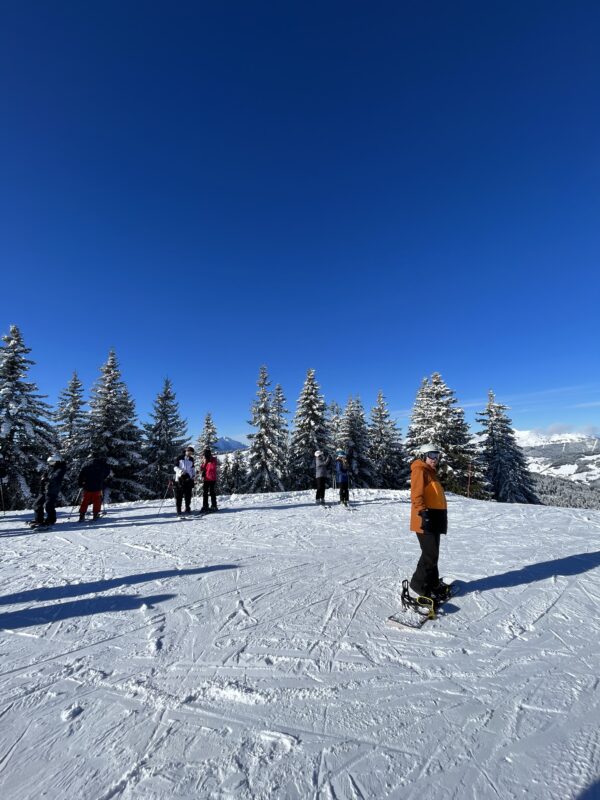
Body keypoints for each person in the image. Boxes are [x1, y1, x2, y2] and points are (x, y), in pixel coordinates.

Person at [409, 442, 450, 601]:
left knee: (433, 554)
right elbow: (416, 495)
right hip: (424, 518)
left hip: (434, 517)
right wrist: (423, 513)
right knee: (429, 554)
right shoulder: (419, 470)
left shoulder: (431, 472)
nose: (435, 459)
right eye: (431, 455)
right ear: (423, 456)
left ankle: (432, 583)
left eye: (437, 455)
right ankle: (418, 584)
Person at [31, 454, 67, 528]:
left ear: (57, 461)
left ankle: (51, 520)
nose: (50, 464)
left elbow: (56, 477)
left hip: (52, 489)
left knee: (48, 505)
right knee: (36, 504)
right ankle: (39, 519)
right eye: (49, 462)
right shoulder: (51, 468)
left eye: (52, 462)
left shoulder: (61, 469)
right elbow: (46, 474)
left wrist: (48, 479)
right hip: (44, 489)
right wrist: (43, 477)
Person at [78, 454, 111, 522]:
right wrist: (102, 479)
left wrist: (80, 483)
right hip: (97, 486)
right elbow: (107, 473)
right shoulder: (102, 466)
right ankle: (95, 515)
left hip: (87, 486)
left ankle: (82, 515)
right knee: (97, 501)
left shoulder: (87, 466)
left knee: (85, 501)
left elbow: (81, 475)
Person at [174, 446, 196, 515]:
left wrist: (193, 475)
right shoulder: (179, 458)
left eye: (191, 452)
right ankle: (178, 510)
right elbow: (175, 467)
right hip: (180, 479)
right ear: (186, 451)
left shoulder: (191, 459)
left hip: (188, 479)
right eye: (189, 452)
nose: (190, 453)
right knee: (179, 495)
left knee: (188, 495)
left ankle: (187, 508)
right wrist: (180, 472)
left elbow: (192, 468)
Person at [200, 448, 218, 512]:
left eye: (207, 454)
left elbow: (213, 467)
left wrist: (209, 461)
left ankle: (214, 505)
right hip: (206, 479)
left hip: (212, 478)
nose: (206, 455)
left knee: (212, 492)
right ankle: (205, 505)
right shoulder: (204, 460)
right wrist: (204, 462)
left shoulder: (213, 459)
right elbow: (201, 468)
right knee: (205, 493)